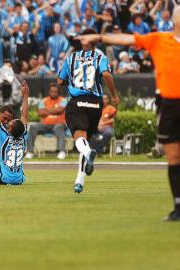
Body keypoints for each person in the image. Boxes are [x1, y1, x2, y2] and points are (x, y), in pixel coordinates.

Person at [76, 4, 180, 221]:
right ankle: (177, 207)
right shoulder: (159, 39)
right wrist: (98, 37)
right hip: (167, 105)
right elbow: (128, 39)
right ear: (174, 19)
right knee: (173, 158)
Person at [57, 28, 119, 194]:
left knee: (79, 138)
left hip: (77, 102)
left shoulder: (72, 58)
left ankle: (88, 152)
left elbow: (60, 80)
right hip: (95, 103)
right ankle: (79, 181)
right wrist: (114, 95)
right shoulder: (100, 57)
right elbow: (106, 75)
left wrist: (70, 81)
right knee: (86, 139)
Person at [25, 83, 67, 160]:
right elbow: (40, 113)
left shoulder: (63, 100)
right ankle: (30, 152)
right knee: (33, 127)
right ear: (49, 92)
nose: (53, 93)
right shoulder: (44, 100)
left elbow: (60, 110)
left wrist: (46, 110)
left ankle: (61, 151)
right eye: (52, 91)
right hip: (45, 124)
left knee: (59, 127)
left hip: (58, 124)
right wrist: (55, 110)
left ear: (59, 92)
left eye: (55, 92)